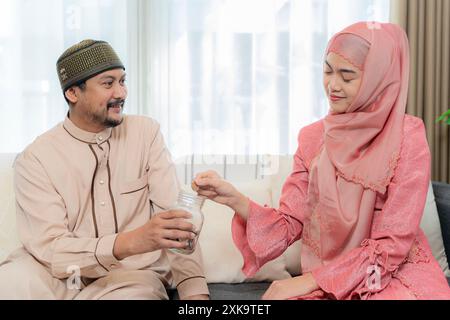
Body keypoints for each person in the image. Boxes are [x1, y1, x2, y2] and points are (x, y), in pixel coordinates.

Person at [192, 22, 450, 300]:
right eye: (327, 71)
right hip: (328, 276)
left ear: (379, 78)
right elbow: (289, 223)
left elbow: (393, 243)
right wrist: (234, 199)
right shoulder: (312, 138)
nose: (332, 85)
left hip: (391, 274)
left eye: (347, 76)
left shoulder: (407, 136)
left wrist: (308, 282)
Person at [0, 40, 209, 300]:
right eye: (108, 84)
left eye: (123, 81)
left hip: (129, 276)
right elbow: (51, 247)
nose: (121, 93)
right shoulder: (36, 158)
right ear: (73, 93)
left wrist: (194, 294)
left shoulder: (146, 133)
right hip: (56, 274)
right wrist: (133, 240)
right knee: (10, 282)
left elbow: (175, 220)